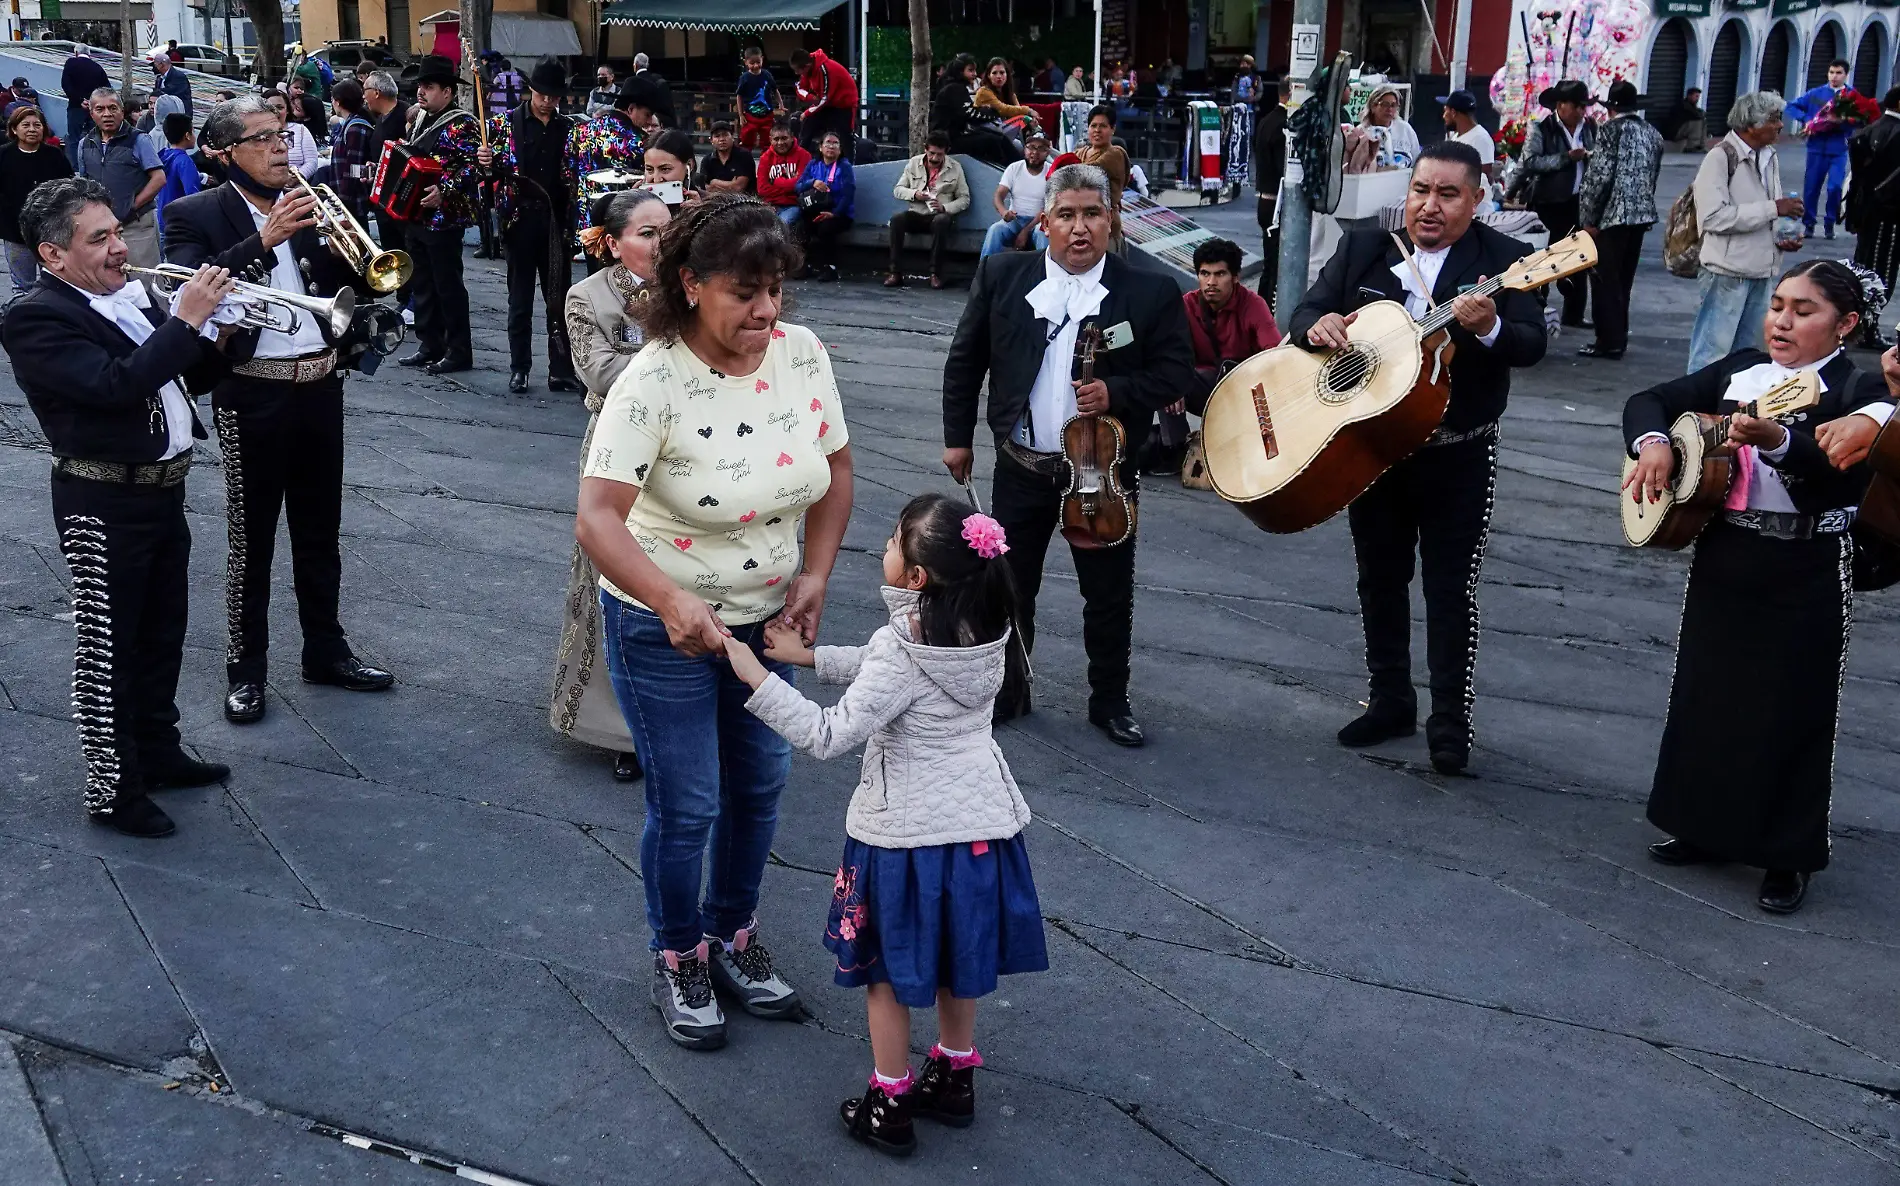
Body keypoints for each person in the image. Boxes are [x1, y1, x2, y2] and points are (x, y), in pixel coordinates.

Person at [574, 194, 855, 1051]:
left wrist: (814, 575)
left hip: (768, 621)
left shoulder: (801, 356)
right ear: (691, 285)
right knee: (689, 801)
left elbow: (837, 473)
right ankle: (676, 951)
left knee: (761, 786)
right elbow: (598, 518)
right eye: (744, 293)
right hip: (663, 629)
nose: (765, 311)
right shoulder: (649, 380)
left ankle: (732, 933)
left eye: (774, 290)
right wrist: (670, 601)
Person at [722, 492, 1046, 1154]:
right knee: (958, 964)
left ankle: (888, 1102)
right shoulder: (985, 623)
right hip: (982, 831)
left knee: (887, 976)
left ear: (918, 577)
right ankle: (954, 1077)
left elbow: (827, 732)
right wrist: (810, 658)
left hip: (906, 843)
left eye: (895, 543)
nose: (884, 550)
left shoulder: (905, 648)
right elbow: (882, 662)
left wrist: (755, 673)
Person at [1623, 259, 1895, 916]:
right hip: (1729, 546)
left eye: (1804, 311)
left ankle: (1786, 854)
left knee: (1792, 709)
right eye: (1778, 305)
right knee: (1707, 694)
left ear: (1846, 324)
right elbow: (1649, 400)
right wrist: (1655, 442)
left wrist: (1777, 442)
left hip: (1806, 560)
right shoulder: (1741, 368)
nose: (1781, 320)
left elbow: (1836, 479)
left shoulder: (1856, 394)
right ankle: (1703, 826)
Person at [1290, 140, 1548, 774]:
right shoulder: (1365, 248)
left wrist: (1487, 328)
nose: (1429, 206)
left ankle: (1450, 721)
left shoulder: (1507, 262)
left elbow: (1530, 343)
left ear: (1477, 199)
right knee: (1379, 578)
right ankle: (1389, 699)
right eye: (1420, 191)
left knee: (1449, 589)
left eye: (1448, 194)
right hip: (1373, 449)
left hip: (1457, 455)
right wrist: (1314, 327)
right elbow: (1305, 307)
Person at [1, 177, 236, 836]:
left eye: (116, 231)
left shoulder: (129, 298)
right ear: (52, 255)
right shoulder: (35, 316)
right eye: (97, 238)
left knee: (162, 634)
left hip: (163, 492)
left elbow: (185, 379)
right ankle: (112, 789)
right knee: (110, 649)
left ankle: (158, 752)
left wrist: (221, 333)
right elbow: (115, 387)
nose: (117, 248)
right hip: (101, 500)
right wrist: (186, 318)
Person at [942, 164, 1196, 746]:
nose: (1079, 228)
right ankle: (1009, 690)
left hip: (1103, 472)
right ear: (1045, 222)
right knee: (1008, 586)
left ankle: (1109, 700)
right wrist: (957, 437)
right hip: (1023, 465)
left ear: (1112, 220)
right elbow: (965, 358)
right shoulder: (1003, 274)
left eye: (1092, 214)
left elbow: (1176, 370)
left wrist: (1120, 392)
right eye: (1066, 215)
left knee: (1107, 593)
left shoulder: (1149, 290)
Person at [165, 95, 395, 725]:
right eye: (262, 138)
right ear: (224, 151)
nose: (278, 148)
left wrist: (347, 247)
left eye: (284, 135)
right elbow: (188, 288)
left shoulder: (317, 203)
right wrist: (264, 241)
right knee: (252, 538)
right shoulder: (195, 213)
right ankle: (246, 669)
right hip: (252, 391)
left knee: (321, 530)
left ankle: (327, 649)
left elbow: (366, 284)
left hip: (320, 384)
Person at [555, 188, 670, 785]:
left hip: (683, 443)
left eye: (665, 230)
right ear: (613, 239)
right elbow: (599, 371)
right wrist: (677, 351)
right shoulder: (588, 295)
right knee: (615, 575)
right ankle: (620, 726)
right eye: (646, 233)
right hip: (615, 447)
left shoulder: (690, 286)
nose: (658, 242)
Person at [1687, 92, 1804, 372]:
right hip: (1727, 271)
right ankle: (1698, 408)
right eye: (1774, 119)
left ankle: (1732, 409)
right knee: (1711, 353)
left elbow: (1762, 209)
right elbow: (1714, 218)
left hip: (1762, 271)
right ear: (1752, 124)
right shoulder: (1720, 158)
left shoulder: (1768, 156)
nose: (1780, 126)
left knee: (1749, 356)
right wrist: (1774, 209)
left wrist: (1781, 238)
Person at [481, 61, 577, 393]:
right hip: (519, 221)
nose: (548, 101)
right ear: (530, 90)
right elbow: (487, 176)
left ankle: (561, 368)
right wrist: (486, 164)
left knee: (560, 300)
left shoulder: (569, 128)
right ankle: (519, 367)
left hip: (555, 223)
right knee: (519, 300)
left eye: (554, 96)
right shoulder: (504, 125)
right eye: (542, 94)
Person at [396, 56, 491, 374]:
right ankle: (430, 343)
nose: (421, 92)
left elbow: (475, 166)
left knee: (447, 285)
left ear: (448, 92)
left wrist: (445, 191)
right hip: (417, 216)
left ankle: (459, 350)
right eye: (420, 86)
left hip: (445, 218)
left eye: (429, 87)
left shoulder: (463, 123)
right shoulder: (421, 117)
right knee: (422, 283)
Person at [1161, 236, 1281, 474]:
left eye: (1220, 274)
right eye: (1205, 274)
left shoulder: (1253, 305)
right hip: (1203, 386)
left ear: (1236, 277)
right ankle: (1177, 450)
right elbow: (1167, 351)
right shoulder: (1187, 305)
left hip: (1243, 392)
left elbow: (1274, 355)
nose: (1211, 282)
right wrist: (1169, 384)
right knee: (1163, 378)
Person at [1578, 79, 1664, 360]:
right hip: (1640, 216)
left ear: (1612, 108)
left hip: (1612, 217)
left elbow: (1598, 177)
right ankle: (1618, 335)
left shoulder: (1610, 131)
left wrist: (1587, 218)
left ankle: (1608, 340)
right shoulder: (1652, 133)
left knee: (1604, 281)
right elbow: (1653, 173)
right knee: (1624, 280)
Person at [1520, 79, 1595, 329]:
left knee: (1579, 257)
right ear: (1561, 105)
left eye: (1583, 106)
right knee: (1542, 258)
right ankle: (1536, 310)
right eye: (1577, 106)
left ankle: (1573, 314)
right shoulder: (1541, 128)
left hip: (1578, 203)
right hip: (1547, 203)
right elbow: (1531, 162)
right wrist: (1566, 158)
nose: (1581, 112)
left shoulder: (1589, 128)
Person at [76, 89, 164, 284]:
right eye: (100, 109)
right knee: (109, 281)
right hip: (103, 229)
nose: (107, 114)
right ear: (92, 113)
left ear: (122, 111)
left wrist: (132, 207)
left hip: (137, 224)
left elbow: (158, 178)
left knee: (145, 281)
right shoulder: (85, 143)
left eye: (112, 108)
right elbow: (85, 183)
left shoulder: (139, 139)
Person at [566, 74, 662, 241]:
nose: (648, 122)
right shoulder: (639, 141)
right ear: (631, 109)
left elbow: (568, 171)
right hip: (623, 228)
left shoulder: (581, 130)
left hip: (586, 227)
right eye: (647, 115)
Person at [1847, 86, 1900, 350]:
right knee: (1883, 272)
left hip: (1867, 213)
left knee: (1864, 268)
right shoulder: (1895, 132)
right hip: (1888, 215)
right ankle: (1868, 329)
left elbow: (1855, 180)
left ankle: (1859, 326)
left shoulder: (1869, 130)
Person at [0, 105, 73, 295]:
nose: (32, 129)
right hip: (15, 233)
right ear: (14, 129)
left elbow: (69, 188)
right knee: (22, 286)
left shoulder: (54, 155)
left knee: (57, 282)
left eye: (37, 125)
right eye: (25, 125)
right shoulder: (3, 155)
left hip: (50, 232)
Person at [886, 131, 969, 289]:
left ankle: (935, 274)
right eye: (932, 153)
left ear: (946, 151)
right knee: (897, 219)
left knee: (942, 221)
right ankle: (895, 272)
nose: (935, 158)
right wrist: (915, 194)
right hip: (917, 213)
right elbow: (898, 189)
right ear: (925, 149)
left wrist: (945, 207)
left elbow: (964, 199)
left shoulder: (955, 168)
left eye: (939, 154)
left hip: (939, 215)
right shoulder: (913, 163)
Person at [1785, 59, 1853, 239]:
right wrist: (1807, 119)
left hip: (1838, 149)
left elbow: (1861, 120)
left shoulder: (1851, 96)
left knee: (1835, 187)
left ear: (1845, 75)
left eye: (1838, 73)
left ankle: (1830, 223)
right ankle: (1809, 223)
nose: (1834, 76)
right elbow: (1791, 106)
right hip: (1816, 147)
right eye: (1831, 72)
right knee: (1812, 187)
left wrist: (1845, 122)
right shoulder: (1817, 93)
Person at [932, 54, 1017, 168]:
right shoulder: (954, 89)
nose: (975, 74)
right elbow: (970, 114)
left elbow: (969, 111)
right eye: (970, 70)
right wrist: (993, 112)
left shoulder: (957, 88)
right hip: (948, 141)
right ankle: (1007, 171)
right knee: (992, 140)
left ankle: (1018, 167)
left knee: (999, 138)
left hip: (955, 136)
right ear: (960, 71)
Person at [980, 129, 1051, 259]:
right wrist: (1003, 212)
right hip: (1015, 219)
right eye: (1031, 147)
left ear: (1048, 152)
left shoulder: (1051, 172)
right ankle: (983, 273)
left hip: (1038, 221)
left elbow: (1048, 207)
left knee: (1043, 233)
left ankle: (1045, 275)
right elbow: (999, 195)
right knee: (995, 230)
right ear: (1025, 149)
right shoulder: (1014, 168)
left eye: (1041, 148)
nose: (1035, 153)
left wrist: (1026, 230)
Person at [796, 129, 854, 280]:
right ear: (820, 147)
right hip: (815, 208)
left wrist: (835, 213)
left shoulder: (844, 167)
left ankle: (830, 267)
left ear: (840, 149)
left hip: (838, 212)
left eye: (836, 144)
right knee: (802, 226)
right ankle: (804, 265)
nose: (832, 146)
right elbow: (798, 186)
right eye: (828, 142)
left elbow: (848, 194)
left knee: (825, 228)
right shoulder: (814, 164)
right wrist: (812, 182)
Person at [1254, 75, 1290, 304]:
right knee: (1275, 265)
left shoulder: (1267, 120)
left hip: (1266, 200)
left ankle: (1263, 306)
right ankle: (1266, 309)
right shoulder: (1283, 124)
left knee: (1271, 263)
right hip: (1275, 202)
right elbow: (1283, 167)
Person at [1073, 105, 1130, 239]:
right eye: (1093, 126)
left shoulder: (1115, 153)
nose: (1097, 130)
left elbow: (1085, 172)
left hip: (1105, 224)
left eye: (1103, 126)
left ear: (1113, 129)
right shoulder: (1080, 153)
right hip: (1079, 223)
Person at [790, 47, 856, 155]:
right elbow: (799, 87)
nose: (797, 73)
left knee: (845, 136)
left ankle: (849, 165)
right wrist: (810, 97)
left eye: (798, 70)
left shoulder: (826, 70)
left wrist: (807, 112)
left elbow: (825, 98)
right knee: (808, 126)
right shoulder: (808, 70)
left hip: (843, 104)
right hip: (826, 103)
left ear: (806, 66)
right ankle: (800, 158)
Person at [327, 79, 375, 222]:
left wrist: (342, 202)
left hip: (353, 203)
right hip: (348, 200)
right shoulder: (350, 124)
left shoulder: (356, 127)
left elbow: (354, 168)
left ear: (338, 102)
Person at [1437, 90, 1497, 203]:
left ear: (1453, 112)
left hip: (1477, 208)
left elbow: (1485, 175)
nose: (1444, 116)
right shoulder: (1456, 137)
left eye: (1446, 111)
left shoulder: (1481, 137)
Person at [755, 119, 812, 229]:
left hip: (794, 205)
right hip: (769, 205)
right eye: (776, 139)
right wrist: (790, 185)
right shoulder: (765, 158)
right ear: (770, 140)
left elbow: (801, 185)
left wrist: (775, 182)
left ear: (791, 137)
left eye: (784, 138)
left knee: (781, 225)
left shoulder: (804, 155)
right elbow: (762, 189)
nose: (780, 143)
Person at [60, 46, 108, 167]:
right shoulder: (97, 67)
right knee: (96, 137)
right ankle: (95, 164)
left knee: (74, 138)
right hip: (95, 108)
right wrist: (93, 102)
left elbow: (66, 84)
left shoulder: (70, 63)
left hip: (76, 107)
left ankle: (77, 166)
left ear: (76, 52)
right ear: (89, 54)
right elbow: (106, 88)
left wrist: (80, 100)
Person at [152, 113, 199, 236]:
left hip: (163, 219)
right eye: (193, 132)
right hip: (180, 223)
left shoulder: (162, 156)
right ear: (187, 136)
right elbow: (193, 195)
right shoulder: (184, 161)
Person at [974, 57, 1038, 146]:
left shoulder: (1010, 94)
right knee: (1022, 120)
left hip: (1004, 131)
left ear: (1007, 75)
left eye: (1002, 72)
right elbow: (1003, 109)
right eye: (994, 73)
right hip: (987, 132)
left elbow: (1017, 110)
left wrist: (1031, 119)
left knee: (1028, 135)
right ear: (988, 75)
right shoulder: (983, 92)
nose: (999, 76)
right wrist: (1029, 111)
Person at [1357, 83, 1420, 169]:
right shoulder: (1361, 132)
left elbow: (1417, 160)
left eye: (1393, 105)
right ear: (1373, 106)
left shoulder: (1405, 129)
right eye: (1384, 104)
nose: (1389, 109)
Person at [262, 90, 320, 174]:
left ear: (287, 110)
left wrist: (296, 177)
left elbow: (312, 161)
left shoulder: (301, 130)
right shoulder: (255, 132)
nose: (275, 111)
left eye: (280, 107)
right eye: (270, 108)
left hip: (298, 183)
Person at [735, 45, 781, 151]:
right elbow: (739, 96)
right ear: (745, 62)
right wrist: (741, 114)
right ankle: (745, 161)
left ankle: (767, 163)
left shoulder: (767, 75)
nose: (755, 66)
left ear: (762, 60)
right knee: (747, 139)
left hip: (767, 115)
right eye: (752, 63)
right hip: (750, 115)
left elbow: (775, 90)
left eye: (758, 62)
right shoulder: (744, 78)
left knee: (768, 140)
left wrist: (780, 104)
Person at [642, 127, 699, 211]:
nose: (656, 179)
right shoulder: (638, 205)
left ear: (689, 166)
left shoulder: (712, 206)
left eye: (665, 169)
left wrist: (700, 214)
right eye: (650, 170)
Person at [694, 121, 754, 195]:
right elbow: (705, 189)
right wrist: (731, 184)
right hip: (715, 202)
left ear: (732, 137)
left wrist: (715, 183)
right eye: (717, 136)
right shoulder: (707, 161)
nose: (722, 139)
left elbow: (738, 187)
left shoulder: (744, 156)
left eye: (725, 135)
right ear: (711, 140)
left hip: (744, 202)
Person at [149, 48, 192, 121]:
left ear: (162, 65)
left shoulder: (178, 76)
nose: (153, 68)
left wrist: (157, 92)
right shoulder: (159, 78)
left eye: (155, 65)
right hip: (165, 116)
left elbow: (171, 93)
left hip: (180, 116)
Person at [288, 74, 328, 143]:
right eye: (296, 87)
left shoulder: (303, 134)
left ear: (307, 118)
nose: (300, 91)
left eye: (297, 109)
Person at [1671, 86, 1707, 152]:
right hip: (1677, 132)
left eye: (1698, 97)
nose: (1697, 99)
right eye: (1696, 96)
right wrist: (1700, 114)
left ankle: (1701, 146)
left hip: (1684, 130)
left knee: (1702, 122)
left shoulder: (1693, 107)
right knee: (1696, 123)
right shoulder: (1683, 106)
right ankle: (1692, 147)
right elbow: (1694, 116)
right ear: (1689, 96)